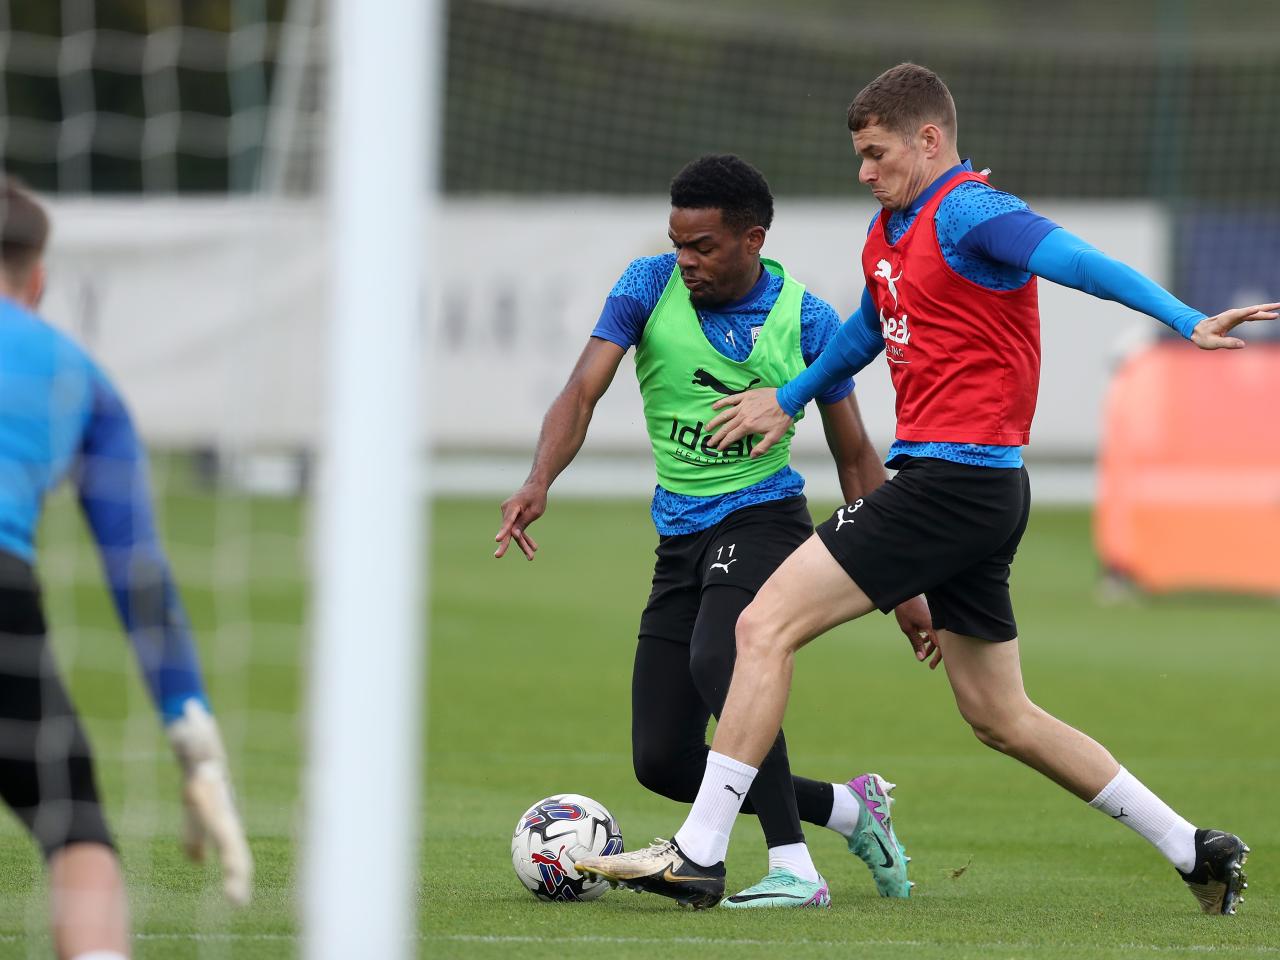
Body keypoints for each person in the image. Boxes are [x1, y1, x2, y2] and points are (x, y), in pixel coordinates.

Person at [576, 64, 1271, 915]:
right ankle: (1192, 845)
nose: (863, 171)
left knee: (761, 626)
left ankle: (701, 852)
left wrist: (1183, 319)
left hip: (950, 484)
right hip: (980, 494)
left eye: (876, 154)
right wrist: (787, 398)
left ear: (929, 139)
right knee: (1000, 715)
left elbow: (1077, 261)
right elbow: (866, 333)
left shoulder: (971, 211)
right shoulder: (889, 235)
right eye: (859, 155)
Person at [495, 154, 937, 909]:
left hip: (763, 520)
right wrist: (539, 479)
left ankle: (794, 866)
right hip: (679, 537)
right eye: (678, 243)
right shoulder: (647, 286)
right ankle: (848, 809)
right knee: (661, 760)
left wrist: (902, 586)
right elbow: (581, 390)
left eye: (701, 246)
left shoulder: (807, 320)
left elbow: (856, 455)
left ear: (752, 239)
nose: (685, 260)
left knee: (724, 657)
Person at [0, 177, 252, 960]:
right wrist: (192, 737)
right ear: (39, 280)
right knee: (75, 825)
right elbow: (137, 574)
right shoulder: (78, 376)